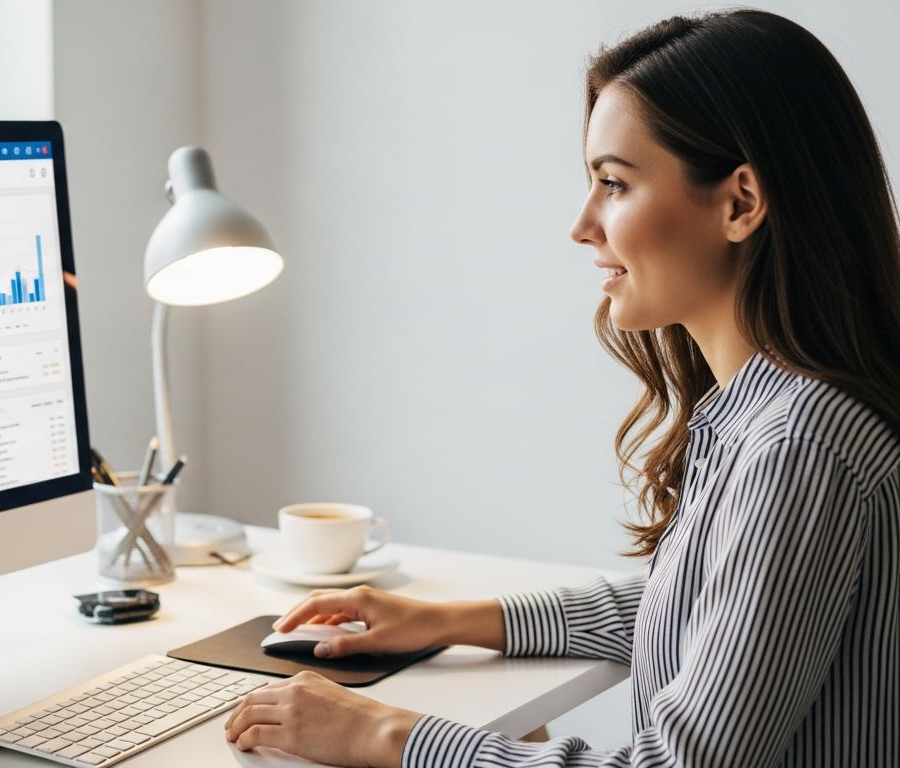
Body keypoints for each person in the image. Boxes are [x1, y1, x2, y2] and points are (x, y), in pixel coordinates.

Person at [224, 10, 900, 768]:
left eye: (613, 183)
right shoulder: (768, 414)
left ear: (740, 202)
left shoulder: (799, 446)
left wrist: (384, 733)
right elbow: (690, 609)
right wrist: (441, 619)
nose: (581, 225)